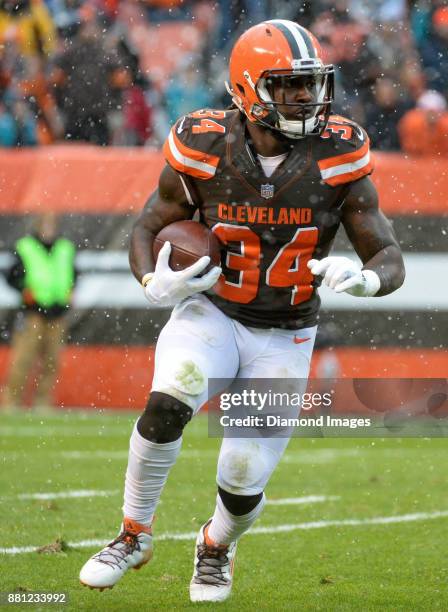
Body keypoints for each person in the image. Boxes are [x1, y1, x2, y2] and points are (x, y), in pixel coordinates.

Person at [79, 20, 405, 603]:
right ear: (246, 89)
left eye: (313, 85)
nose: (308, 100)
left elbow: (386, 252)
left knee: (243, 471)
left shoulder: (339, 151)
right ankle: (133, 532)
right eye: (289, 86)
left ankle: (216, 545)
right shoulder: (203, 144)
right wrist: (153, 279)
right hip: (213, 311)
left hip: (286, 332)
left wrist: (366, 277)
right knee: (170, 396)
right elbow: (149, 223)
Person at [1, 213, 76, 413]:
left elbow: (74, 274)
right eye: (46, 225)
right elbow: (11, 275)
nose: (49, 230)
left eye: (52, 225)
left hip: (57, 312)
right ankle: (11, 403)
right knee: (23, 359)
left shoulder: (64, 248)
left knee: (52, 361)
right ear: (37, 226)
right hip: (33, 312)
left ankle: (42, 403)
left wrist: (70, 291)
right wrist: (24, 290)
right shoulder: (25, 247)